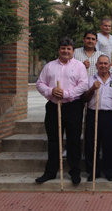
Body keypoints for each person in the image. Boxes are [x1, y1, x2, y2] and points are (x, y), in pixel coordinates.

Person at [35, 37, 88, 185]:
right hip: (53, 106)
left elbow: (83, 85)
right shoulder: (49, 66)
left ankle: (74, 172)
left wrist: (66, 94)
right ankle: (51, 172)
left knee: (73, 140)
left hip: (72, 107)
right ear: (59, 50)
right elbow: (39, 83)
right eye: (63, 48)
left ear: (73, 51)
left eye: (68, 49)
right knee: (53, 140)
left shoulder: (79, 66)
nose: (65, 51)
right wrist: (51, 91)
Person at [81, 55, 112, 182]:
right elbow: (84, 99)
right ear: (96, 65)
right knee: (92, 144)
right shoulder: (89, 80)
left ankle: (110, 171)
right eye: (101, 63)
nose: (103, 66)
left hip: (111, 115)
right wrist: (92, 88)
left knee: (110, 144)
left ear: (110, 65)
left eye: (106, 63)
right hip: (94, 114)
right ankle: (93, 171)